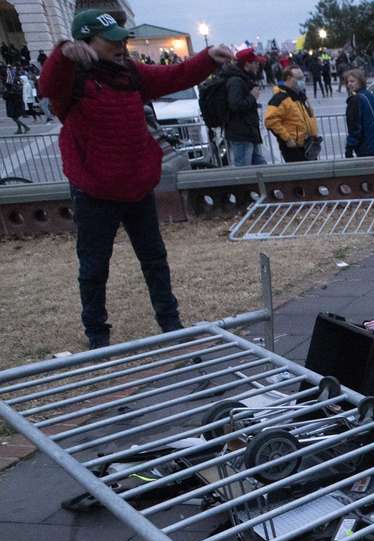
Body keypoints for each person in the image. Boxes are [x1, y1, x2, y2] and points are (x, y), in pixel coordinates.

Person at [37, 8, 231, 349]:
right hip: (94, 190)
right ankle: (97, 335)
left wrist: (207, 59)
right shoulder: (72, 80)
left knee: (154, 259)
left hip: (137, 186)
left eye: (122, 40)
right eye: (110, 41)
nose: (120, 47)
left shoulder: (130, 72)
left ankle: (170, 322)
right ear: (86, 43)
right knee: (94, 267)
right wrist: (63, 52)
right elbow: (47, 84)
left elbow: (174, 76)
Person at [219, 48, 267, 166]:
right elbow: (235, 105)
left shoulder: (243, 78)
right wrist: (252, 97)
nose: (257, 65)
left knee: (261, 167)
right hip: (241, 134)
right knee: (244, 169)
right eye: (255, 63)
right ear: (247, 64)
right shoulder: (236, 81)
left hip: (248, 132)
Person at [264, 66, 318, 162]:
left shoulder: (300, 96)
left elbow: (310, 115)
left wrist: (314, 135)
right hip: (294, 148)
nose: (302, 81)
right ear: (289, 78)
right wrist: (287, 139)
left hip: (309, 145)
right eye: (299, 78)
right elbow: (270, 120)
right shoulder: (280, 98)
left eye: (303, 78)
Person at [343, 69, 374, 157]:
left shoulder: (356, 100)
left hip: (366, 146)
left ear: (360, 81)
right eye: (348, 82)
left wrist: (349, 148)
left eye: (352, 81)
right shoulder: (372, 96)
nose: (349, 84)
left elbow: (354, 127)